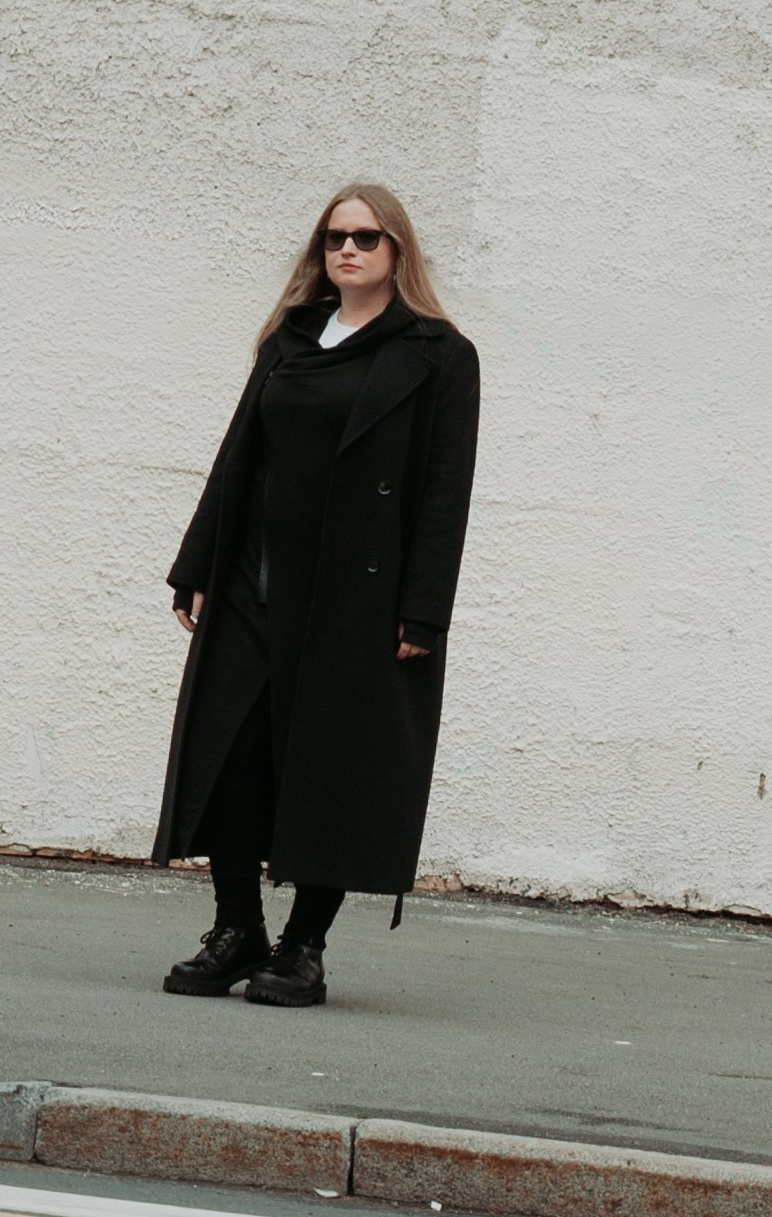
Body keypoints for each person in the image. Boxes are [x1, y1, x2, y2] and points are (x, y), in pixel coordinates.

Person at [152, 184, 480, 1007]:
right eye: (336, 237)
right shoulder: (289, 340)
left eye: (368, 238)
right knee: (229, 757)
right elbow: (239, 457)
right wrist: (196, 563)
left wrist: (424, 610)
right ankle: (237, 932)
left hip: (354, 604)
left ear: (398, 251)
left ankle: (303, 947)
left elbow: (444, 495)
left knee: (329, 767)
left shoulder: (438, 355)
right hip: (254, 586)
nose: (349, 251)